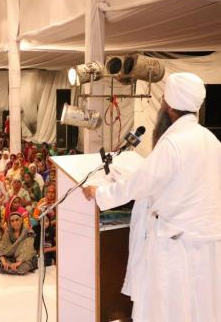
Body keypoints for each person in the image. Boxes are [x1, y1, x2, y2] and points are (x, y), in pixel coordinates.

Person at [82, 72, 221, 322]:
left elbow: (139, 184)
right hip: (206, 243)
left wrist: (99, 192)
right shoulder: (211, 140)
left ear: (168, 106)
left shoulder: (173, 143)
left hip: (175, 247)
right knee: (200, 307)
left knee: (168, 310)